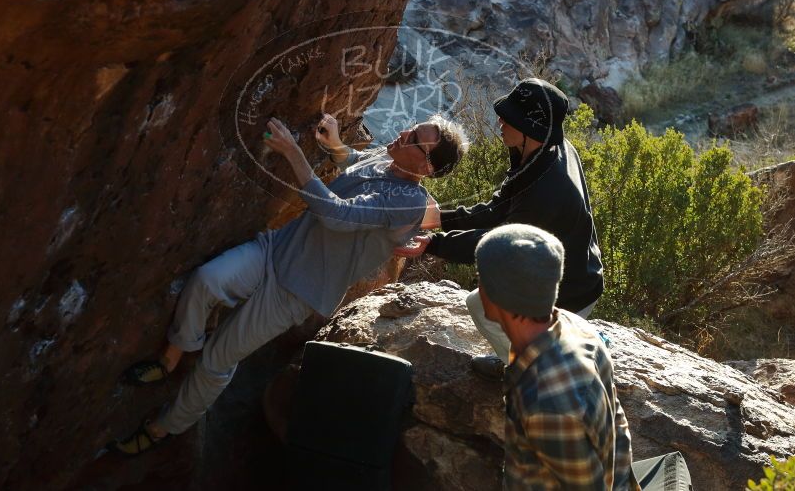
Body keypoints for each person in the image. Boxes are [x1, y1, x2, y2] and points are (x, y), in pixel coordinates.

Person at [109, 112, 465, 455]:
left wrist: (293, 153)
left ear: (429, 167)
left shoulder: (408, 203)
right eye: (411, 129)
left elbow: (337, 214)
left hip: (297, 290)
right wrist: (338, 146)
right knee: (206, 280)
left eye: (415, 140)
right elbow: (358, 165)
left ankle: (164, 428)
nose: (403, 134)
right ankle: (173, 356)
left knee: (217, 360)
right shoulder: (389, 157)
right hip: (277, 248)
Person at [396, 78, 603, 379]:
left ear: (528, 128)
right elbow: (500, 208)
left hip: (569, 293)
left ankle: (529, 369)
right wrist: (442, 218)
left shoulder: (548, 189)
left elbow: (497, 244)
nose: (500, 122)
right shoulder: (544, 150)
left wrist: (434, 244)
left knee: (480, 304)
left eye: (509, 118)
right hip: (579, 272)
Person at [475, 224, 640, 490]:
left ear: (493, 295)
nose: (478, 287)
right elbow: (618, 425)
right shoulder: (578, 327)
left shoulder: (546, 403)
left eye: (480, 278)